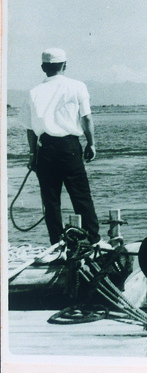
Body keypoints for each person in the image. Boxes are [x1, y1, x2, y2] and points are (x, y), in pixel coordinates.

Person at [22, 48, 102, 246]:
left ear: (43, 67)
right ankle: (92, 239)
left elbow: (30, 129)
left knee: (50, 201)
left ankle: (57, 244)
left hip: (45, 149)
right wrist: (91, 144)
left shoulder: (33, 92)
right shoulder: (77, 87)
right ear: (65, 66)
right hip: (70, 147)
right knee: (81, 195)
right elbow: (87, 118)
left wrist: (32, 154)